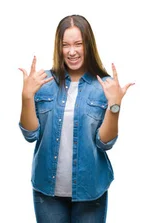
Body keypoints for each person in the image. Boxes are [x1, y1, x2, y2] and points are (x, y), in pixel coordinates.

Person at [18, 14, 134, 223]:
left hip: (91, 190)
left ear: (88, 46)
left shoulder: (104, 87)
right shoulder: (42, 82)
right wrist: (26, 97)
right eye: (66, 45)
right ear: (59, 47)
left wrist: (115, 106)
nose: (72, 51)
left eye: (78, 44)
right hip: (47, 189)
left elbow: (105, 143)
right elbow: (30, 134)